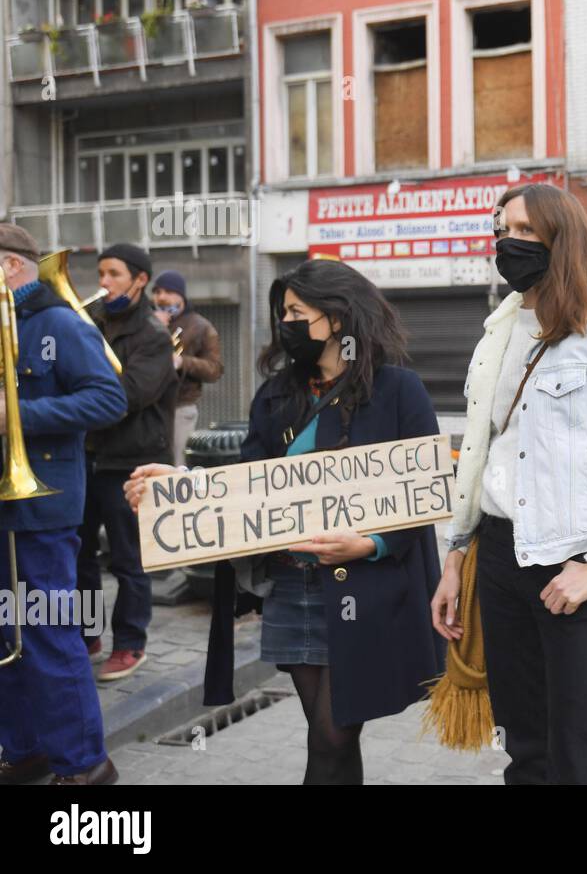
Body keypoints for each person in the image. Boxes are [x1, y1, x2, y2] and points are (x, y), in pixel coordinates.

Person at [126, 259, 445, 784]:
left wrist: (368, 545)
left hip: (363, 593)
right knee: (330, 738)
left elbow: (422, 496)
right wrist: (179, 486)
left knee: (333, 734)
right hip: (293, 590)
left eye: (298, 312)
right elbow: (248, 487)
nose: (286, 324)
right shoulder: (275, 395)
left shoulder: (399, 391)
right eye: (283, 313)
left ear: (337, 319)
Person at [430, 182, 587, 784]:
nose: (508, 241)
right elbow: (482, 455)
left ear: (561, 239)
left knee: (580, 760)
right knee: (526, 749)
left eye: (525, 231)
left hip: (572, 565)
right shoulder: (498, 332)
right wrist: (456, 554)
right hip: (496, 556)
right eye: (503, 229)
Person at [0, 226, 126, 785]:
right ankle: (22, 751)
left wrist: (17, 417)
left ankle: (84, 765)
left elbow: (107, 397)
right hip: (6, 511)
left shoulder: (57, 323)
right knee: (9, 638)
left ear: (9, 267)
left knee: (49, 633)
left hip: (42, 509)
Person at [78, 244, 177, 681]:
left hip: (134, 461)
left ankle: (131, 643)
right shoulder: (91, 322)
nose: (104, 282)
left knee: (129, 559)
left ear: (139, 279)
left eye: (114, 274)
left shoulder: (153, 335)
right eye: (101, 273)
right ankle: (85, 633)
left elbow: (129, 395)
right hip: (89, 456)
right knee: (79, 555)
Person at [152, 270, 223, 466]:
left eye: (169, 291)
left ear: (181, 295)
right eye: (157, 292)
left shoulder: (201, 326)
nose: (162, 297)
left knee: (177, 465)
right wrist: (154, 327)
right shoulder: (147, 321)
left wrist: (183, 362)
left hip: (180, 407)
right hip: (148, 409)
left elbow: (215, 369)